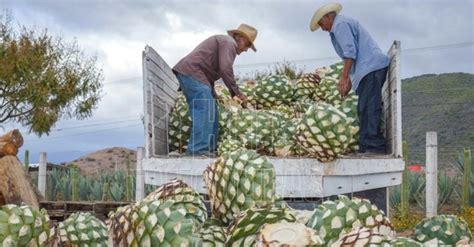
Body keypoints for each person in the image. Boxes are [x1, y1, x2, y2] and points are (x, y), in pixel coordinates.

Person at [310, 3, 389, 154]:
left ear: (328, 17)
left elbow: (350, 52)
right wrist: (350, 80)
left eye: (321, 24)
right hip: (365, 70)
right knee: (363, 108)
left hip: (371, 67)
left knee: (370, 107)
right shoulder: (338, 26)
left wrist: (344, 77)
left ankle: (375, 146)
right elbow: (352, 54)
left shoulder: (340, 25)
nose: (322, 28)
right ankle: (366, 146)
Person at [172, 24, 256, 156]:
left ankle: (208, 150)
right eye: (247, 45)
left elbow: (208, 70)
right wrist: (237, 93)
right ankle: (197, 151)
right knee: (204, 110)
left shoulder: (225, 43)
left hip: (196, 75)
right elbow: (225, 69)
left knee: (213, 112)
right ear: (239, 37)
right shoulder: (229, 43)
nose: (246, 50)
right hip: (192, 73)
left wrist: (213, 93)